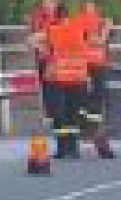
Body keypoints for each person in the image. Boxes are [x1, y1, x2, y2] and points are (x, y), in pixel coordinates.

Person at [31, 11, 91, 159]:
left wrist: (44, 51)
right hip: (78, 78)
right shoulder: (80, 29)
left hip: (58, 78)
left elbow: (31, 39)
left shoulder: (54, 30)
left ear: (57, 18)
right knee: (73, 115)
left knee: (60, 115)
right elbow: (94, 43)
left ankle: (63, 150)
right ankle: (74, 149)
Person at [74, 1, 115, 158]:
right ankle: (93, 135)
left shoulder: (97, 20)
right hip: (91, 65)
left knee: (92, 101)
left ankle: (90, 133)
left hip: (90, 65)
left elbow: (106, 41)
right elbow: (98, 41)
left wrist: (107, 28)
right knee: (95, 102)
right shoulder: (86, 22)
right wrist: (106, 30)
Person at [26, 0, 62, 119]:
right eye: (44, 6)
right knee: (46, 87)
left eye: (49, 6)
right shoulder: (38, 19)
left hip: (58, 60)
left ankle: (57, 112)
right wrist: (40, 48)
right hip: (44, 59)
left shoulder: (60, 18)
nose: (46, 9)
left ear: (55, 5)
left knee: (57, 87)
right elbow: (31, 39)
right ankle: (50, 113)